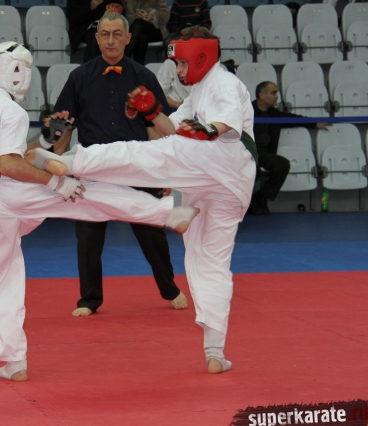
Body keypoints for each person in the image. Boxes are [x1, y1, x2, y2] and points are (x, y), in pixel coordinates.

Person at [0, 40, 199, 382]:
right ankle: (166, 213)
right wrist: (54, 183)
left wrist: (44, 141)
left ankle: (14, 362)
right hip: (9, 191)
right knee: (88, 195)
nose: (24, 76)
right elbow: (9, 165)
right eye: (21, 69)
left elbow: (0, 159)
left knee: (1, 280)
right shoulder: (11, 112)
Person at [27, 26, 257, 374]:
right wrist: (152, 113)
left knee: (138, 156)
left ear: (202, 57)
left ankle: (74, 163)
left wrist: (204, 131)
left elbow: (220, 125)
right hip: (230, 185)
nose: (179, 71)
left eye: (182, 63)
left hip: (216, 159)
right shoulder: (198, 92)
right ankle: (215, 351)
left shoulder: (223, 83)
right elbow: (172, 128)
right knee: (208, 261)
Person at [51, 12, 187, 318]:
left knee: (151, 230)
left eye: (116, 34)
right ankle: (89, 299)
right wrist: (59, 165)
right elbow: (64, 125)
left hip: (136, 164)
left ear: (128, 38)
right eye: (105, 34)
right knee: (88, 236)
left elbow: (157, 128)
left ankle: (169, 287)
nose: (110, 40)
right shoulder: (79, 77)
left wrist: (164, 174)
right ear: (97, 38)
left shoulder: (143, 76)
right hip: (93, 167)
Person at [250, 81, 330, 215]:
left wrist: (315, 123)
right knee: (252, 170)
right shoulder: (245, 110)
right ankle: (250, 204)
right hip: (245, 153)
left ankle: (262, 196)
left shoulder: (274, 114)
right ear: (261, 95)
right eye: (273, 93)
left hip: (263, 154)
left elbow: (293, 118)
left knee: (282, 164)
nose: (277, 96)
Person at [124, 0, 169, 64]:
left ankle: (124, 58)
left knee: (138, 24)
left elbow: (165, 16)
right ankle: (138, 66)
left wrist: (150, 15)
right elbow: (125, 19)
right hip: (136, 32)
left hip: (155, 31)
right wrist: (139, 17)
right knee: (142, 37)